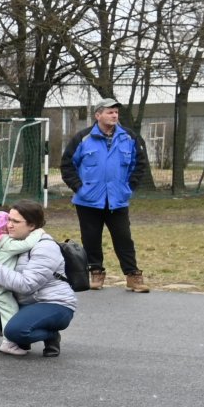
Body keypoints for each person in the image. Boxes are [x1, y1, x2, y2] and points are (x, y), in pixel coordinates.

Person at [60, 98, 150, 292]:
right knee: (91, 238)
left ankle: (133, 276)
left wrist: (128, 187)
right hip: (88, 200)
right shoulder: (83, 138)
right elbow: (67, 165)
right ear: (98, 115)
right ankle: (96, 272)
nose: (114, 115)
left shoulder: (129, 137)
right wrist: (80, 188)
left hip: (118, 199)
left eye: (116, 112)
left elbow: (140, 164)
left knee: (123, 237)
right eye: (110, 112)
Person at [0, 199, 76, 357]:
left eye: (15, 221)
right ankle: (20, 339)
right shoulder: (12, 241)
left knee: (15, 331)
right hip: (25, 302)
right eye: (8, 220)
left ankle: (50, 335)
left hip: (52, 303)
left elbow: (27, 285)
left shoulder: (45, 247)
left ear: (32, 225)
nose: (9, 225)